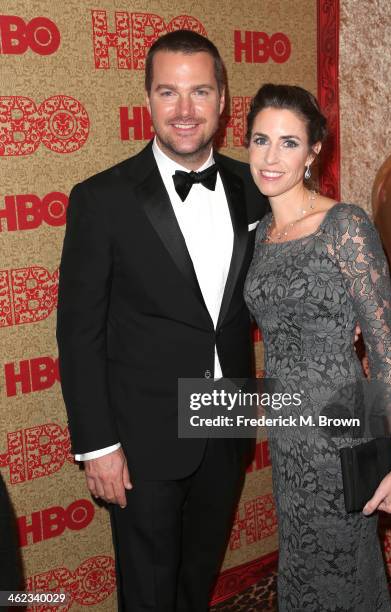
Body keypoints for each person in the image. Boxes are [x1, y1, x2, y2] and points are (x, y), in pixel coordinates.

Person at [56, 31, 267, 611]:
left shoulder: (253, 186)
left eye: (199, 91)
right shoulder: (101, 199)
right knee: (148, 593)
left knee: (195, 583)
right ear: (147, 99)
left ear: (224, 100)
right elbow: (79, 334)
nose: (184, 109)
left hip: (227, 426)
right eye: (168, 92)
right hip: (141, 440)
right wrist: (98, 446)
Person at [243, 84, 391, 611]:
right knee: (301, 561)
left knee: (342, 567)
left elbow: (386, 348)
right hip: (288, 432)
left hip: (338, 430)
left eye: (289, 143)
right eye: (260, 140)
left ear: (314, 151)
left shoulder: (345, 226)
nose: (271, 157)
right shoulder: (263, 235)